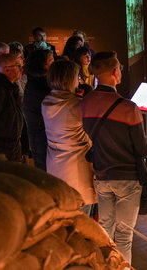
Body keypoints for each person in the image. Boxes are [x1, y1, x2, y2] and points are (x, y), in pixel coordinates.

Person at [80, 51, 147, 263]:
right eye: (119, 67)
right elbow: (142, 148)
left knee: (104, 231)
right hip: (127, 177)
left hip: (101, 174)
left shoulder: (86, 103)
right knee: (124, 236)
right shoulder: (129, 108)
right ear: (114, 72)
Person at [42, 59, 96, 215]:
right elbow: (93, 129)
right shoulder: (77, 105)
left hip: (55, 165)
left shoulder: (46, 102)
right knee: (82, 219)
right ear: (70, 78)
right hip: (78, 168)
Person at [23, 49, 54, 170]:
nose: (54, 64)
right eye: (51, 61)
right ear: (41, 64)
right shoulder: (41, 85)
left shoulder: (35, 81)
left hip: (39, 134)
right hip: (42, 135)